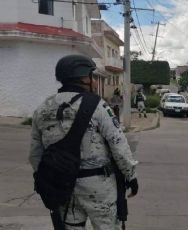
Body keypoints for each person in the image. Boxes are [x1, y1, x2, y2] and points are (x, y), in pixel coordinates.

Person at [29, 55, 139, 229]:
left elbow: (35, 154)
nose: (95, 82)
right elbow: (118, 144)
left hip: (64, 187)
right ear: (82, 78)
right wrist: (131, 176)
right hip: (99, 187)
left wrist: (47, 179)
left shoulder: (42, 108)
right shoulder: (97, 105)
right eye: (92, 77)